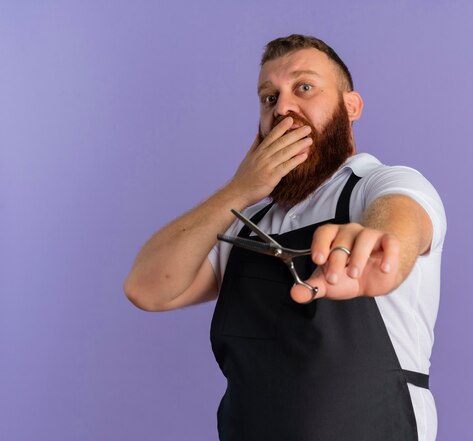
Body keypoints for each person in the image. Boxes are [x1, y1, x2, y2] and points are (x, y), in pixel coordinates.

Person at [124, 34, 446, 441]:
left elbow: (402, 223)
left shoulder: (380, 185)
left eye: (304, 87)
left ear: (351, 106)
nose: (284, 108)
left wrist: (374, 246)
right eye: (268, 98)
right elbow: (146, 289)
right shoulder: (243, 220)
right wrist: (238, 190)